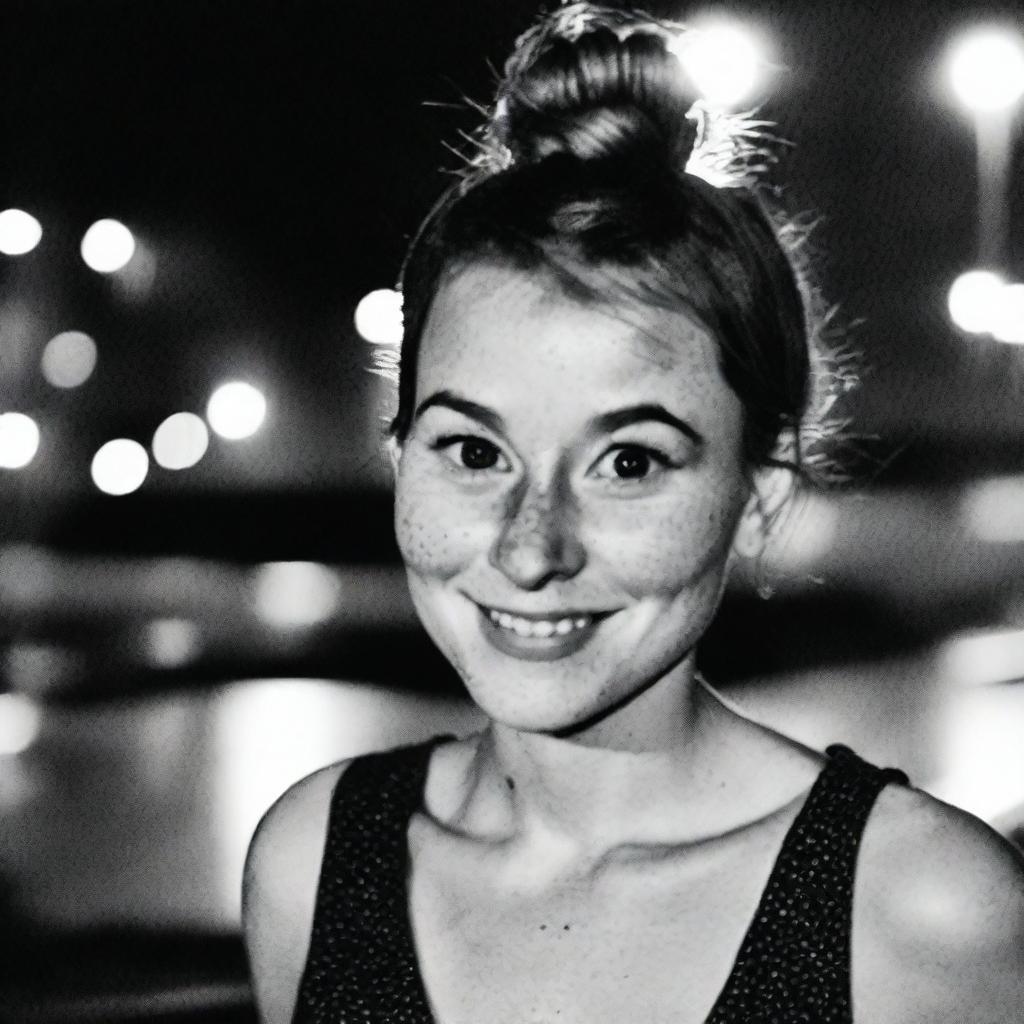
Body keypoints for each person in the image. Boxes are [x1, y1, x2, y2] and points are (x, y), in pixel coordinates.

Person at [243, 5, 1024, 1022]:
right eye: (475, 452)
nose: (530, 546)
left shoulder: (920, 907)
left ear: (758, 495)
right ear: (401, 459)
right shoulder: (310, 866)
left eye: (626, 461)